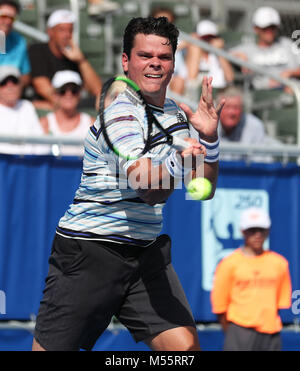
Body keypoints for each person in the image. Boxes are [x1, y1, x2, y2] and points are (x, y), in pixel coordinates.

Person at [32, 16, 224, 351]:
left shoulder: (177, 118)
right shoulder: (118, 116)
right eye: (144, 56)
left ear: (173, 63)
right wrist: (181, 162)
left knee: (185, 352)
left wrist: (209, 142)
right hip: (90, 250)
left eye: (163, 57)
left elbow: (201, 190)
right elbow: (146, 187)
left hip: (145, 252)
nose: (154, 64)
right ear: (126, 61)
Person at [211, 207, 292, 351]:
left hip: (271, 335)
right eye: (252, 230)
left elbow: (280, 304)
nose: (257, 235)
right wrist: (233, 334)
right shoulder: (228, 264)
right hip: (239, 332)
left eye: (262, 230)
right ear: (243, 231)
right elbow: (220, 307)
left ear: (268, 231)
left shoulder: (280, 263)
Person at [28, 9, 102, 110]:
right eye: (61, 30)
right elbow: (41, 86)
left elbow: (98, 91)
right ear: (50, 32)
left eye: (70, 30)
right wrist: (66, 106)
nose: (67, 35)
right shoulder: (37, 51)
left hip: (67, 107)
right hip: (51, 112)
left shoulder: (74, 55)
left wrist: (81, 60)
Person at [231, 6, 300, 91]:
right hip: (262, 95)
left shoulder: (286, 44)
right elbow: (225, 53)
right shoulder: (248, 49)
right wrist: (238, 56)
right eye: (265, 28)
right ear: (256, 29)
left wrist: (290, 73)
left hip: (291, 90)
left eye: (272, 28)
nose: (269, 32)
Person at [215, 85, 280, 162]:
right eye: (227, 107)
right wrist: (200, 173)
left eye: (236, 107)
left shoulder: (255, 126)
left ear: (242, 109)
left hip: (244, 173)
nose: (232, 112)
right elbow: (199, 158)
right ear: (218, 109)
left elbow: (260, 165)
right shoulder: (205, 126)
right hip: (210, 173)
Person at [40, 70, 95, 157]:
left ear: (79, 94)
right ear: (55, 95)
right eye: (63, 91)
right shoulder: (44, 124)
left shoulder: (91, 124)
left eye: (74, 91)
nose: (68, 95)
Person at [0, 65, 46, 154]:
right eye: (4, 82)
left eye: (14, 81)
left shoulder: (27, 106)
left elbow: (41, 145)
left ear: (20, 85)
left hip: (29, 163)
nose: (10, 86)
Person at [185, 20, 234, 93]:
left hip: (220, 93)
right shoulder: (194, 51)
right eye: (204, 38)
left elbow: (230, 78)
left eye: (211, 38)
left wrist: (219, 52)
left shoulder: (218, 54)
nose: (207, 41)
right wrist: (196, 48)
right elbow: (192, 78)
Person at [0, 0, 31, 87]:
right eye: (3, 16)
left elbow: (25, 75)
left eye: (12, 18)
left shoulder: (19, 41)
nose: (8, 21)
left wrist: (12, 89)